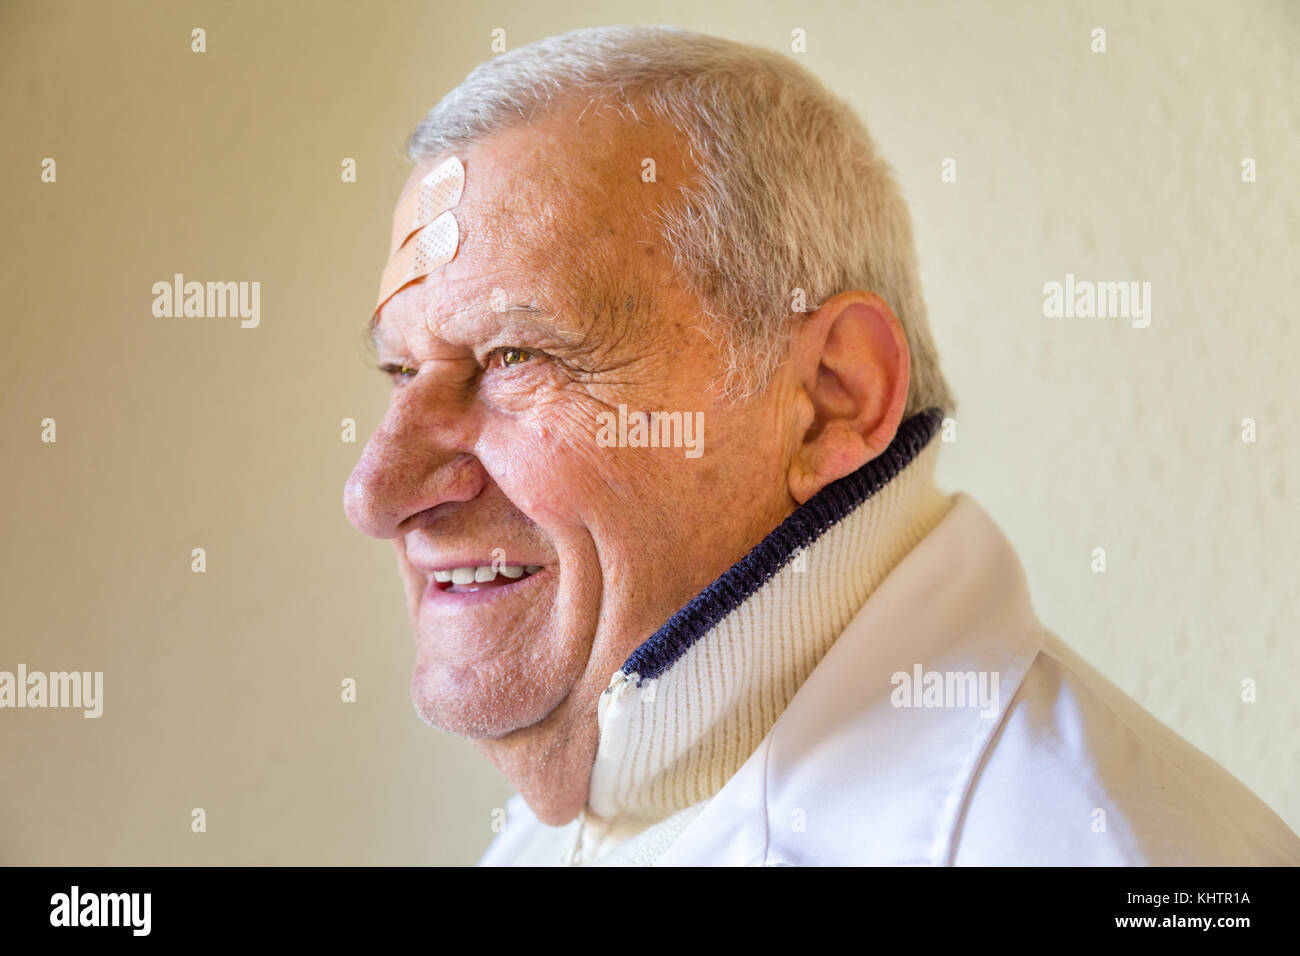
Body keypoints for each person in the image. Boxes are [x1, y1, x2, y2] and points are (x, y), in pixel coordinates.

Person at [343, 26, 1300, 866]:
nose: (377, 490)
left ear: (833, 398)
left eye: (516, 356)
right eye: (399, 374)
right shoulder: (599, 811)